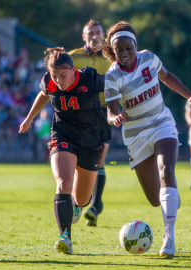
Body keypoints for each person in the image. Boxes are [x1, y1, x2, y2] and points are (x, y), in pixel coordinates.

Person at [102, 21, 191, 257]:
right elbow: (111, 111)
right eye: (119, 50)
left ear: (135, 45)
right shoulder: (112, 76)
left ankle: (169, 238)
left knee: (166, 171)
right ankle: (170, 196)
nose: (124, 53)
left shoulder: (149, 58)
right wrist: (114, 118)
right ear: (113, 52)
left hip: (162, 122)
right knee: (155, 200)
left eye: (128, 47)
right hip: (135, 135)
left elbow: (167, 76)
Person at [19, 47, 110, 255]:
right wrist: (29, 118)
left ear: (73, 70)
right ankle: (65, 237)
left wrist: (117, 111)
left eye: (63, 75)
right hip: (63, 136)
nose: (59, 80)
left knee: (82, 199)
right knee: (63, 182)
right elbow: (44, 94)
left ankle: (77, 205)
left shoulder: (90, 78)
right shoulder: (50, 82)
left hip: (91, 140)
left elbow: (116, 87)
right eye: (54, 76)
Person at [69, 19, 112, 227]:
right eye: (90, 32)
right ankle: (82, 201)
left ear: (104, 35)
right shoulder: (72, 57)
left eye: (98, 32)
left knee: (100, 160)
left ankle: (94, 207)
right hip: (77, 115)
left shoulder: (112, 57)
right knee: (78, 163)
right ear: (83, 36)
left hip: (103, 114)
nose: (95, 35)